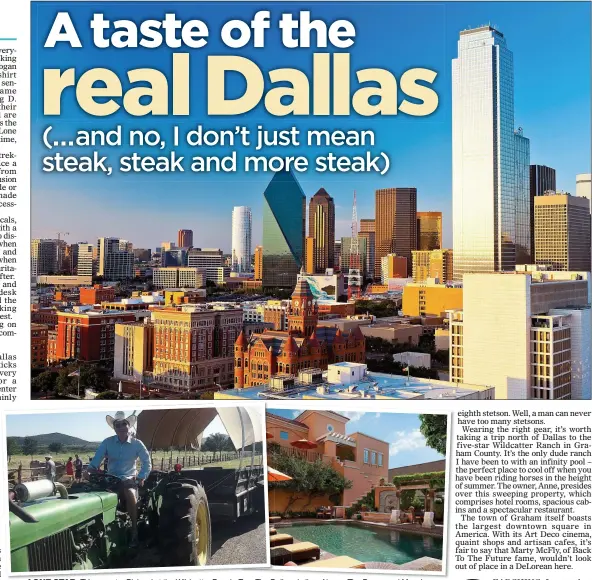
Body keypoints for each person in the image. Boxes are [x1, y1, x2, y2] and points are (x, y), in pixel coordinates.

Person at [89, 411, 151, 548]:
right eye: (118, 425)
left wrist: (141, 477)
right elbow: (97, 459)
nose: (121, 427)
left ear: (129, 426)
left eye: (124, 424)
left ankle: (134, 530)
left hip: (129, 479)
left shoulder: (137, 444)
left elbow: (147, 462)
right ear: (114, 428)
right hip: (110, 479)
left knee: (130, 493)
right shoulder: (107, 442)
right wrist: (90, 469)